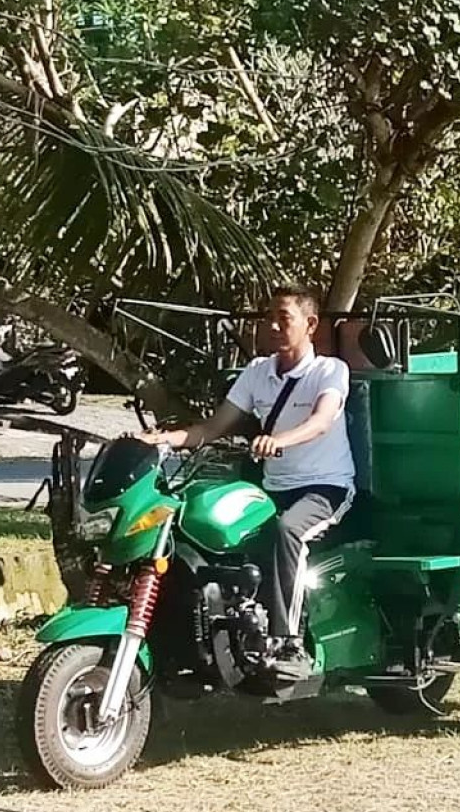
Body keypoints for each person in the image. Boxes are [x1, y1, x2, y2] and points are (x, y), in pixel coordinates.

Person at [138, 286, 355, 678]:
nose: (273, 326)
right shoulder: (257, 372)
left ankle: (288, 645)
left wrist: (279, 441)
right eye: (269, 317)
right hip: (273, 488)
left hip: (324, 489)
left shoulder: (330, 370)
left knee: (288, 530)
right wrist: (162, 440)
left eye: (283, 318)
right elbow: (212, 427)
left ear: (310, 324)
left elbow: (322, 421)